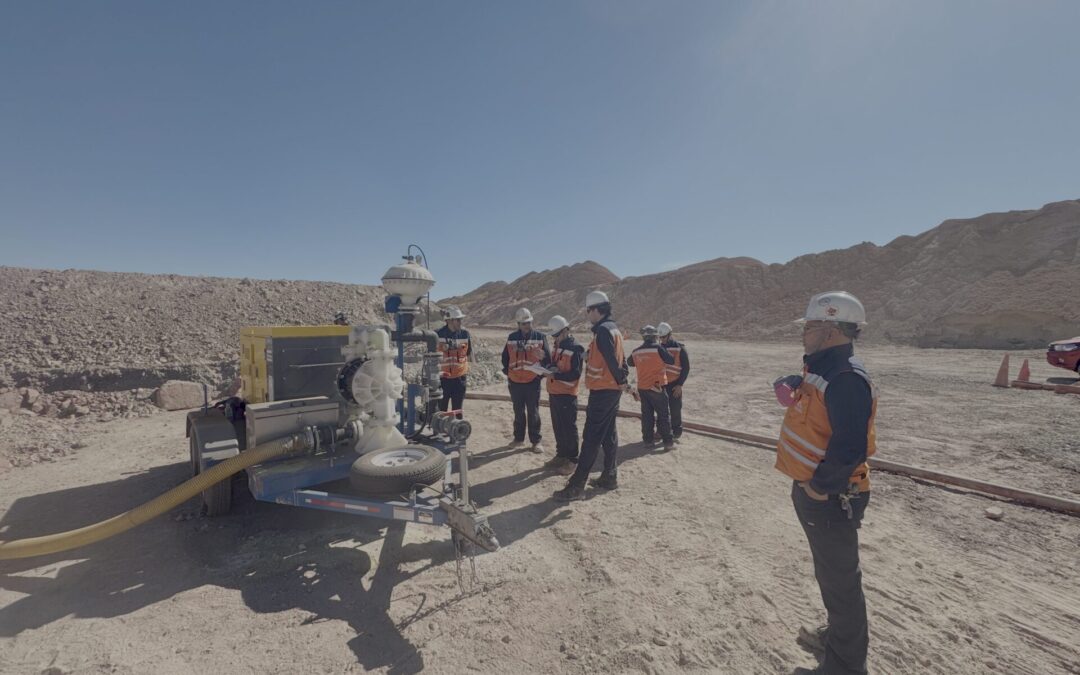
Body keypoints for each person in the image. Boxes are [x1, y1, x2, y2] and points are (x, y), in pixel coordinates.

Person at [778, 291, 876, 675]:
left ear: (832, 329)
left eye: (811, 326)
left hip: (831, 496)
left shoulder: (847, 377)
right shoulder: (825, 367)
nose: (804, 332)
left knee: (841, 583)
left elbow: (850, 446)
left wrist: (820, 487)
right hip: (818, 491)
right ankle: (838, 637)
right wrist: (792, 381)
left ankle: (846, 667)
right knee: (831, 575)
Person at [553, 291, 630, 501]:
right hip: (611, 390)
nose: (587, 315)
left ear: (596, 310)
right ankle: (610, 476)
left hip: (604, 391)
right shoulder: (614, 329)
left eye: (588, 311)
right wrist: (622, 380)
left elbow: (614, 363)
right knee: (608, 434)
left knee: (591, 437)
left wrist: (622, 381)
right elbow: (618, 360)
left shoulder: (603, 331)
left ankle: (577, 486)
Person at [501, 307, 550, 452]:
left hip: (532, 381)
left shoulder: (540, 337)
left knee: (533, 411)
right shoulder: (512, 338)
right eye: (524, 324)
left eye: (529, 323)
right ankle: (518, 439)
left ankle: (536, 441)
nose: (527, 326)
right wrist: (509, 373)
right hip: (515, 381)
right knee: (518, 411)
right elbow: (505, 358)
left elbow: (547, 358)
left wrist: (539, 375)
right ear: (518, 324)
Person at [542, 315, 584, 476]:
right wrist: (545, 363)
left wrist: (555, 376)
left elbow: (575, 374)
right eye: (553, 336)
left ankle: (572, 460)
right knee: (558, 427)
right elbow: (554, 365)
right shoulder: (557, 346)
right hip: (554, 392)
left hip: (567, 394)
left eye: (557, 335)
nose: (555, 338)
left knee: (569, 428)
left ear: (566, 330)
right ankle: (561, 455)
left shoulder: (576, 348)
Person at [627, 325, 675, 451]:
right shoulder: (658, 348)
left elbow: (629, 362)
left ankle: (648, 441)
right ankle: (668, 443)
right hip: (657, 387)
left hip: (643, 388)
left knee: (647, 416)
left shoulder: (636, 351)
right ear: (655, 337)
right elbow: (671, 360)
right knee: (663, 415)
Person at [436, 306, 473, 420]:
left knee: (457, 411)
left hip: (459, 379)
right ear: (450, 321)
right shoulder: (437, 334)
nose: (460, 322)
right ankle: (439, 434)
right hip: (443, 379)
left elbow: (468, 353)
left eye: (461, 320)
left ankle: (457, 435)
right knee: (441, 411)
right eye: (458, 320)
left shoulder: (465, 334)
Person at [657, 322, 689, 442]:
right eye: (660, 337)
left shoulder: (680, 348)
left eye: (664, 337)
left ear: (670, 334)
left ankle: (676, 432)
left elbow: (686, 368)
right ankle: (661, 431)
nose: (662, 340)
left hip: (675, 384)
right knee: (661, 410)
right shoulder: (658, 348)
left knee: (675, 408)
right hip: (662, 384)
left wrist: (680, 385)